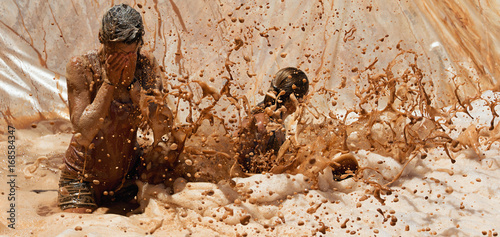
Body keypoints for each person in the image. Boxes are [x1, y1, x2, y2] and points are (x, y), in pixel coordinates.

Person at [58, 4, 176, 213]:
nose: (124, 60)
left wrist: (133, 87)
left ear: (139, 44)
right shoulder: (82, 67)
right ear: (101, 39)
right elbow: (83, 131)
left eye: (129, 53)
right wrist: (108, 83)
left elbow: (162, 128)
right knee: (76, 228)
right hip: (81, 176)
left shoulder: (145, 65)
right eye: (115, 52)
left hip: (127, 176)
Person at [236, 67, 358, 179]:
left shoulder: (270, 116)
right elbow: (245, 170)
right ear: (296, 99)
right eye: (305, 96)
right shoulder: (265, 125)